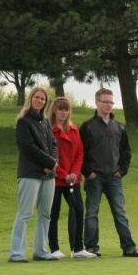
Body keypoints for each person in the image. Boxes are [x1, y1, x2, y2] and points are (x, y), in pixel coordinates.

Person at [80, 88, 138, 257]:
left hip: (114, 178)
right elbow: (80, 153)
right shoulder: (87, 126)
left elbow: (126, 152)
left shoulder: (119, 127)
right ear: (97, 102)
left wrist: (122, 171)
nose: (108, 105)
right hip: (94, 177)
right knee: (91, 214)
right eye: (105, 101)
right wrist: (87, 172)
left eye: (111, 102)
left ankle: (129, 247)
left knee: (120, 213)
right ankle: (91, 248)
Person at [9, 86, 59, 262]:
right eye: (37, 97)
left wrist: (52, 163)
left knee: (45, 214)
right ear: (30, 99)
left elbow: (53, 144)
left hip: (48, 175)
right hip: (30, 173)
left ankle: (41, 251)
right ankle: (16, 253)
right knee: (25, 213)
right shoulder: (23, 122)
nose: (39, 101)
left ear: (45, 102)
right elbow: (28, 148)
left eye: (43, 99)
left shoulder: (45, 121)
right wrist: (49, 163)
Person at [46, 97, 96, 259]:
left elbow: (80, 154)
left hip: (73, 180)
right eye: (60, 109)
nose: (63, 112)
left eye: (66, 109)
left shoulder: (74, 129)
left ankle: (78, 248)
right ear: (54, 110)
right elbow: (49, 156)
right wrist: (63, 174)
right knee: (53, 213)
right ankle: (54, 248)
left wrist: (74, 172)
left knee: (79, 210)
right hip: (56, 179)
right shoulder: (48, 130)